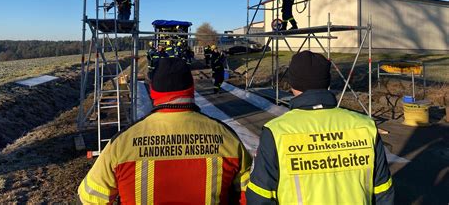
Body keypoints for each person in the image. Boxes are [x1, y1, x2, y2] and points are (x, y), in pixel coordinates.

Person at [78, 58, 252, 204]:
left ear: (153, 92)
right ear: (191, 89)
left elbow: (89, 198)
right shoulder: (228, 138)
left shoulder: (121, 143)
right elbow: (250, 197)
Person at [246, 51, 394, 204]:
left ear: (292, 84)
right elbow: (383, 192)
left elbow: (260, 196)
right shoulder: (365, 127)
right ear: (327, 83)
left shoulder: (276, 132)